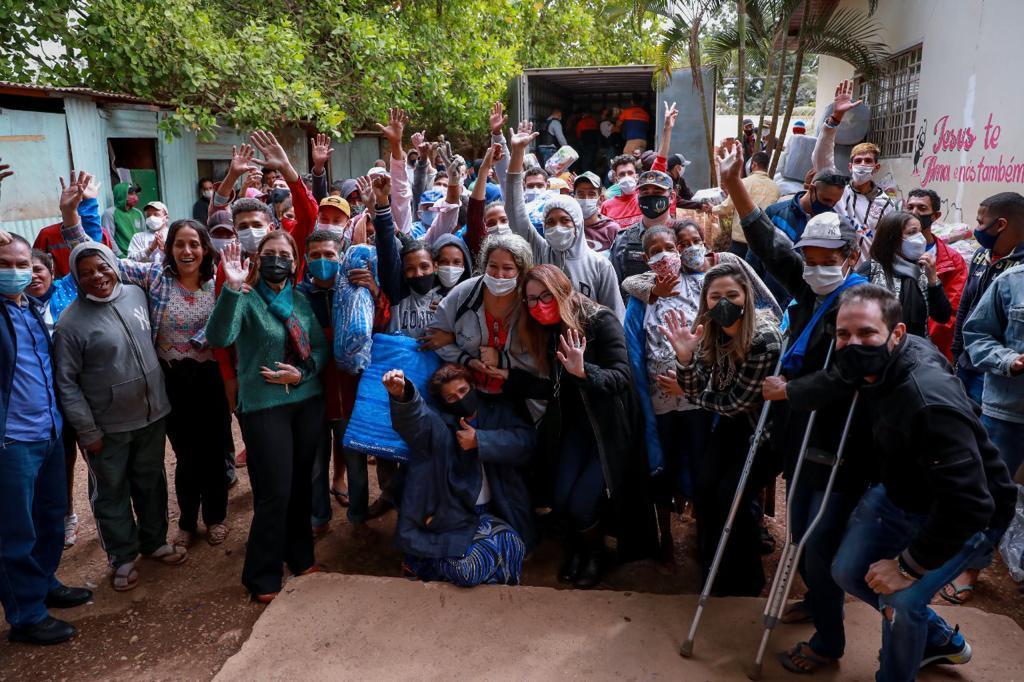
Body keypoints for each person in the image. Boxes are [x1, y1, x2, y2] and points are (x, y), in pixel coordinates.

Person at [726, 142, 873, 673]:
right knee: (803, 527)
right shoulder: (810, 286)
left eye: (827, 262)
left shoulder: (868, 304)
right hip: (800, 434)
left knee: (817, 538)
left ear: (851, 258)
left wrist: (793, 392)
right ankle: (818, 600)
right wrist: (733, 184)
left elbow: (854, 375)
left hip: (842, 442)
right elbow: (769, 243)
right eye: (810, 260)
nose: (814, 269)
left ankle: (830, 640)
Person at [824, 285, 1015, 681]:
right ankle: (938, 639)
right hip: (905, 492)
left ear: (896, 334)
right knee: (847, 571)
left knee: (900, 599)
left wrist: (908, 567)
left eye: (866, 334)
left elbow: (970, 503)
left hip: (965, 512)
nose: (853, 344)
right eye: (844, 335)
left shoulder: (927, 398)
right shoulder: (878, 363)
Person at [59, 173, 234, 550]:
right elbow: (94, 259)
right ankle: (187, 522)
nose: (187, 251)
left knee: (215, 453)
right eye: (179, 245)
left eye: (194, 244)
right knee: (186, 457)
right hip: (171, 381)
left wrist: (230, 177)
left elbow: (228, 320)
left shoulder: (219, 280)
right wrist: (72, 214)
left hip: (210, 379)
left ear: (205, 249)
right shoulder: (154, 276)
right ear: (168, 249)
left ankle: (216, 517)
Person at [504, 264, 657, 588]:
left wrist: (584, 371)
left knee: (582, 501)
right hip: (576, 427)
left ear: (563, 290)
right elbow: (556, 388)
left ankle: (595, 554)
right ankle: (580, 549)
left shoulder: (599, 320)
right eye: (531, 299)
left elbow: (621, 377)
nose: (538, 305)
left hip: (609, 429)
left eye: (545, 295)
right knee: (560, 498)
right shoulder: (549, 328)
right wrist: (507, 379)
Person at [55, 237, 186, 592]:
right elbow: (66, 383)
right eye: (85, 273)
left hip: (152, 415)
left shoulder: (136, 295)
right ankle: (122, 556)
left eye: (102, 267)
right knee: (111, 491)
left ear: (115, 264)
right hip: (106, 428)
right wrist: (87, 430)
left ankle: (154, 541)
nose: (97, 277)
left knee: (151, 482)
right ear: (75, 279)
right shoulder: (70, 325)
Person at [205, 232, 327, 602]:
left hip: (306, 401)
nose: (277, 260)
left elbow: (320, 350)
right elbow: (219, 336)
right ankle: (262, 574)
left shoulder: (301, 300)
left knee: (302, 484)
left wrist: (302, 373)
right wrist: (231, 288)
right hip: (263, 406)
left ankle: (300, 555)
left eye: (284, 254)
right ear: (258, 258)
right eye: (270, 254)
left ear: (294, 261)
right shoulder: (245, 298)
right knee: (276, 491)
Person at [660, 262, 783, 595]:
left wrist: (693, 393)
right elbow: (698, 382)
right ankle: (713, 562)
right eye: (715, 296)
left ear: (747, 295)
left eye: (732, 294)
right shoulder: (708, 330)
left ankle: (746, 578)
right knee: (704, 487)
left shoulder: (763, 339)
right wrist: (685, 359)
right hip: (733, 426)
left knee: (733, 495)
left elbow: (736, 402)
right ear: (706, 301)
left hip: (767, 433)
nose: (723, 302)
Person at [0, 229, 92, 645]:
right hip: (11, 442)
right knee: (14, 532)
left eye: (23, 264)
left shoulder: (32, 309)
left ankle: (43, 582)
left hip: (49, 433)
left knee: (51, 517)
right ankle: (26, 615)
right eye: (6, 266)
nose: (17, 272)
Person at [385, 364, 535, 586]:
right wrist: (402, 394)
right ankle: (421, 563)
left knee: (513, 545)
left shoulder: (498, 411)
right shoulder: (440, 423)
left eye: (463, 391)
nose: (460, 398)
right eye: (452, 398)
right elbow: (417, 421)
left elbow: (527, 443)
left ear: (473, 386)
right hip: (452, 514)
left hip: (495, 511)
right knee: (466, 570)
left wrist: (480, 440)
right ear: (444, 402)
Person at [621, 225, 713, 563]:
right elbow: (634, 348)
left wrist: (691, 380)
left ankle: (704, 531)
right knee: (663, 465)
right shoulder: (642, 297)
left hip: (696, 397)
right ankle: (665, 537)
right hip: (659, 403)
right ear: (646, 259)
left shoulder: (700, 285)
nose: (664, 255)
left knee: (702, 461)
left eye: (669, 247)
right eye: (655, 250)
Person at [504, 123, 624, 318]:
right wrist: (517, 153)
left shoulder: (600, 266)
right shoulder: (540, 251)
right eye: (550, 222)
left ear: (577, 224)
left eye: (564, 221)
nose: (557, 227)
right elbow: (514, 211)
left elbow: (616, 318)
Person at [428, 233, 535, 396]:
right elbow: (435, 337)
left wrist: (502, 360)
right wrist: (467, 360)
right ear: (484, 265)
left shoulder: (530, 301)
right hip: (468, 391)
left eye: (507, 268)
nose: (499, 275)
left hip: (517, 395)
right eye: (492, 266)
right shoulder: (463, 294)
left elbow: (541, 356)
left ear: (521, 271)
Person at [951, 191, 1024, 406]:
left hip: (998, 372)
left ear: (1000, 224)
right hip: (968, 360)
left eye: (981, 223)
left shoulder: (1019, 269)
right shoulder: (982, 254)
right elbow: (966, 302)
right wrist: (957, 352)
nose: (977, 229)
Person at [813, 80, 896, 257]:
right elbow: (822, 160)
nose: (862, 165)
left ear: (876, 167)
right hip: (833, 268)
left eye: (868, 161)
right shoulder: (839, 193)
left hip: (864, 275)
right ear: (850, 166)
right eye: (858, 160)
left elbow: (888, 245)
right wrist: (835, 119)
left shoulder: (886, 205)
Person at [856, 211, 952, 339]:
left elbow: (942, 316)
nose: (919, 238)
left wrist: (933, 280)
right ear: (893, 238)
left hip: (914, 350)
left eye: (919, 231)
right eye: (912, 233)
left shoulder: (923, 270)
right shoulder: (871, 269)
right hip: (878, 348)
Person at [905, 188, 967, 361]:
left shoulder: (952, 261)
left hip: (929, 350)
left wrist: (923, 343)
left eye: (922, 208)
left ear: (935, 216)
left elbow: (951, 313)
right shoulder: (889, 253)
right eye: (910, 207)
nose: (914, 213)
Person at [601, 102, 676, 231]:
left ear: (636, 176)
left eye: (630, 173)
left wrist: (667, 129)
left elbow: (661, 159)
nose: (627, 177)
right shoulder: (607, 206)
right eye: (622, 174)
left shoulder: (645, 197)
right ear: (615, 178)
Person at [713, 151, 780, 258]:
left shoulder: (743, 183)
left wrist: (711, 209)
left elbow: (726, 208)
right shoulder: (775, 188)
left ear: (753, 164)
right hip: (762, 243)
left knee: (735, 272)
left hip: (741, 241)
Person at [573, 171, 620, 253]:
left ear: (600, 198)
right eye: (580, 194)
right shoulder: (570, 228)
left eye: (591, 194)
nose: (586, 199)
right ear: (574, 197)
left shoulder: (611, 229)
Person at [101, 181, 145, 255]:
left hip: (139, 257)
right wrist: (120, 255)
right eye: (131, 194)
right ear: (121, 194)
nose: (135, 197)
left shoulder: (138, 213)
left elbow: (143, 235)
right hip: (121, 259)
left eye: (135, 194)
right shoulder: (110, 213)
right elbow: (108, 238)